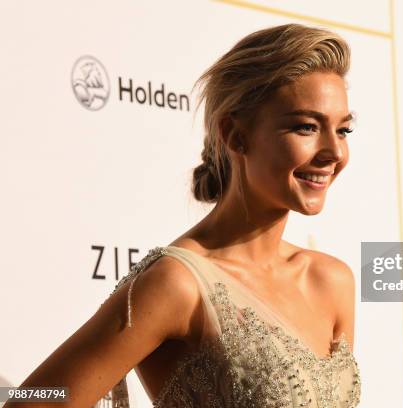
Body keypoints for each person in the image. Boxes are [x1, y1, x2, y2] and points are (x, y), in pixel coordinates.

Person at [8, 23, 360, 408]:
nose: (334, 152)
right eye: (306, 127)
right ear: (235, 135)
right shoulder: (177, 284)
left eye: (343, 130)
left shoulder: (331, 281)